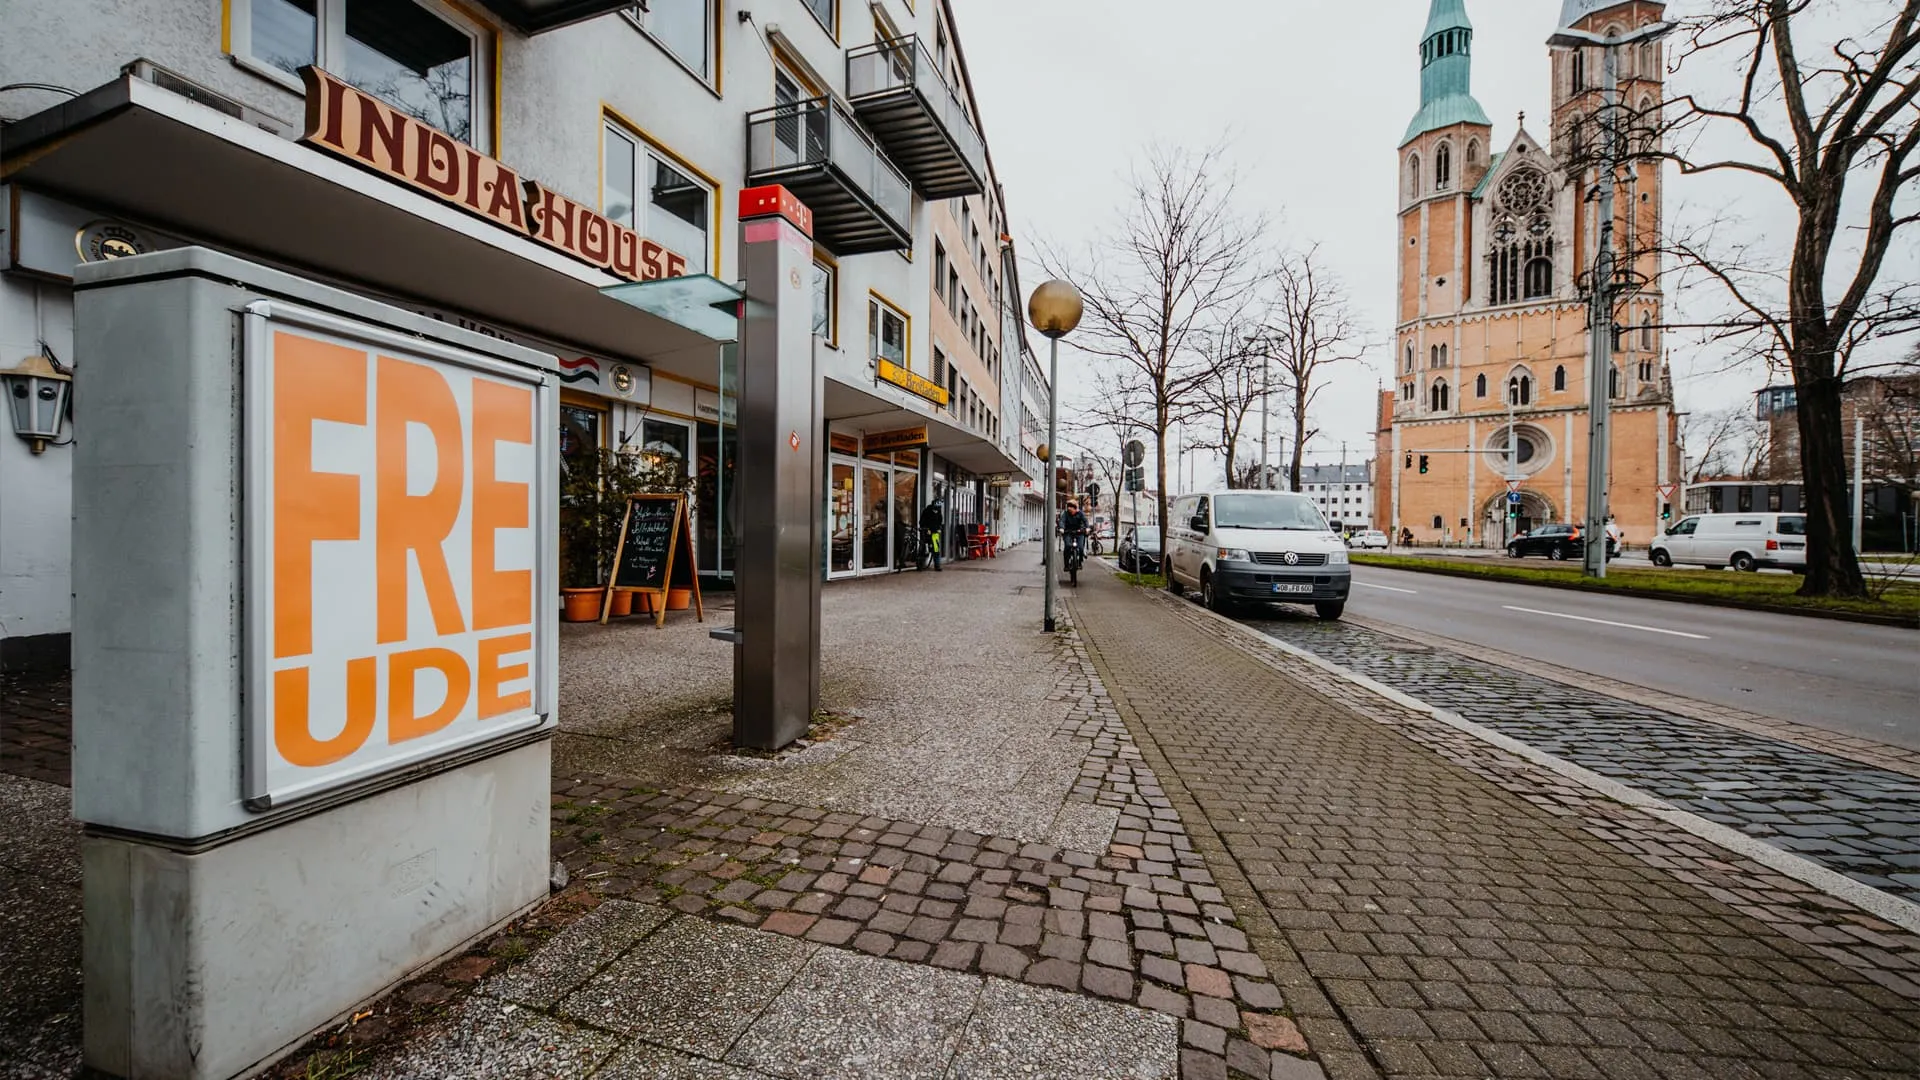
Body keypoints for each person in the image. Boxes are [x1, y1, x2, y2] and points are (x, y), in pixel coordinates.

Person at [1060, 498, 1089, 565]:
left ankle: (1080, 560)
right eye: (1069, 509)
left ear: (1075, 508)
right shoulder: (1065, 513)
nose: (1071, 511)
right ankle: (1066, 563)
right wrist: (1061, 528)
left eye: (1072, 509)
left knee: (1081, 547)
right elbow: (1062, 521)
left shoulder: (1080, 513)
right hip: (1068, 532)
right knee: (1067, 546)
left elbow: (1085, 521)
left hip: (1079, 532)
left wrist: (1087, 528)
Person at [920, 496, 945, 571]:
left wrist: (939, 528)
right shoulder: (927, 511)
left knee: (936, 549)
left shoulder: (939, 512)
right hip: (926, 531)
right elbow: (922, 521)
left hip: (935, 533)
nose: (937, 511)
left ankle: (937, 565)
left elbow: (940, 521)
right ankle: (921, 563)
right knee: (923, 547)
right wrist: (926, 528)